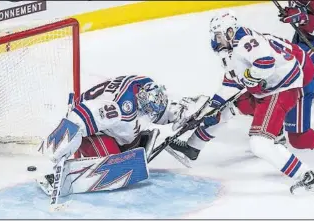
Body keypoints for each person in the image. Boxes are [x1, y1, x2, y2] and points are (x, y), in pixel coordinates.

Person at [169, 10, 314, 194]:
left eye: (218, 36)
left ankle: (307, 177)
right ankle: (192, 148)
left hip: (282, 89)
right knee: (224, 109)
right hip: (267, 88)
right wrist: (209, 108)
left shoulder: (245, 42)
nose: (216, 41)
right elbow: (231, 83)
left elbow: (265, 63)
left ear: (229, 32)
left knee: (262, 143)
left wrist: (251, 76)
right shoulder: (230, 50)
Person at [37, 75, 209, 195]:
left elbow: (157, 110)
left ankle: (129, 144)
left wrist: (178, 113)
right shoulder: (119, 109)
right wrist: (60, 146)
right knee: (115, 162)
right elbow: (78, 117)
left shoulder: (145, 87)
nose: (153, 113)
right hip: (92, 129)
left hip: (109, 123)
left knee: (129, 135)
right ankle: (87, 164)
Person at [278, 0, 314, 99]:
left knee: (298, 61)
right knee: (286, 57)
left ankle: (309, 90)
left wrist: (305, 18)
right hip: (306, 34)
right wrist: (295, 12)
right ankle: (308, 85)